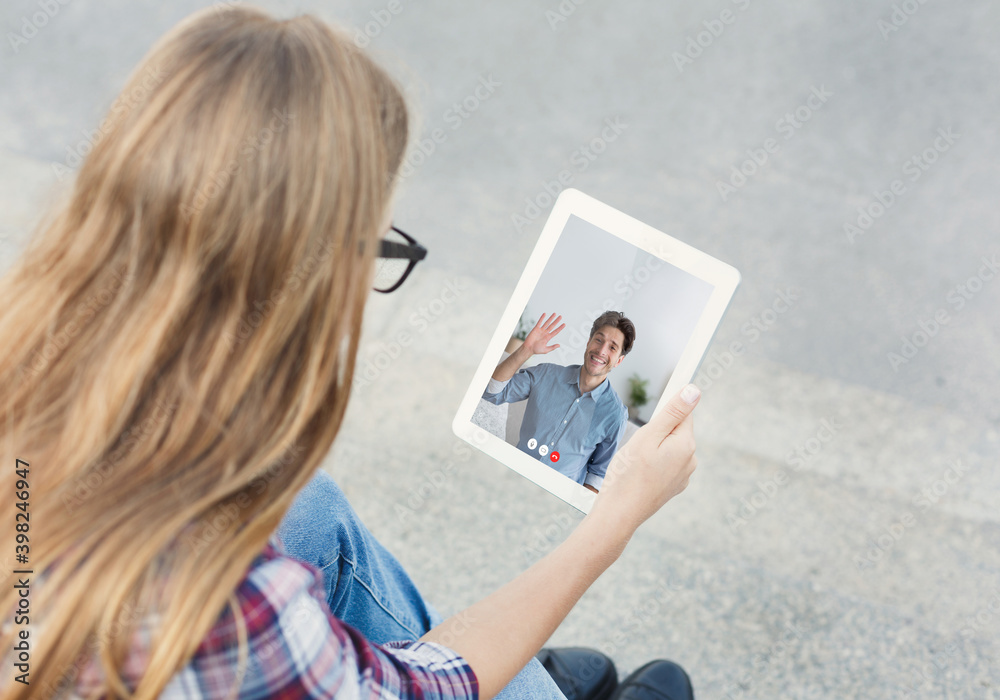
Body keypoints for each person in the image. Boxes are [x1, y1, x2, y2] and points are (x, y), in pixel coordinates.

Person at [0, 6, 699, 699]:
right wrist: (613, 524)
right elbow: (421, 694)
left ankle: (515, 671)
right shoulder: (227, 610)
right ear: (307, 272)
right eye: (373, 242)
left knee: (306, 507)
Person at [481, 311, 636, 492]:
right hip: (510, 480)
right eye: (599, 340)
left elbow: (597, 475)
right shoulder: (546, 374)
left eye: (612, 347)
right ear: (588, 342)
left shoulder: (615, 414)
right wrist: (526, 350)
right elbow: (492, 393)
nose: (601, 351)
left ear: (619, 360)